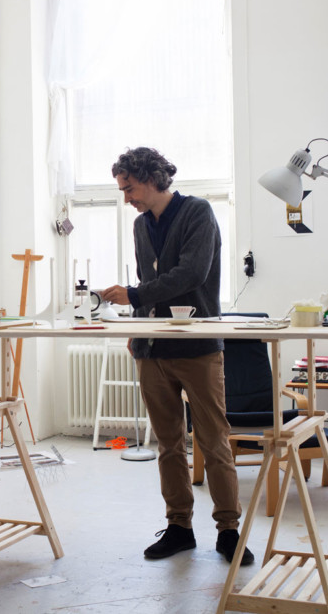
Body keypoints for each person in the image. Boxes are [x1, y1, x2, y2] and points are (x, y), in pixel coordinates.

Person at [99, 147, 254, 566]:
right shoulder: (139, 226)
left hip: (198, 348)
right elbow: (149, 280)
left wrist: (133, 296)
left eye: (129, 187)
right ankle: (179, 528)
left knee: (214, 441)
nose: (126, 196)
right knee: (168, 444)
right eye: (122, 189)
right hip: (152, 348)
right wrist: (136, 325)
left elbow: (191, 274)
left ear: (152, 178)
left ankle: (228, 530)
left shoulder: (198, 213)